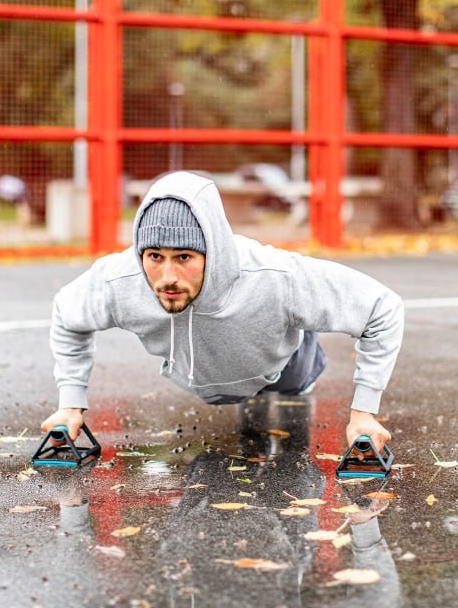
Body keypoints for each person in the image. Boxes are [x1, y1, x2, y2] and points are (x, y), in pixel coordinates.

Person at [41, 170, 404, 453]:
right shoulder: (120, 280)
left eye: (184, 257)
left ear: (210, 252)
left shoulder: (276, 276)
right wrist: (71, 404)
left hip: (281, 367)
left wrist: (364, 413)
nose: (168, 277)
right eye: (155, 257)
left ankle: (298, 327)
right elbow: (66, 313)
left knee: (292, 420)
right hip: (199, 377)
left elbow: (382, 308)